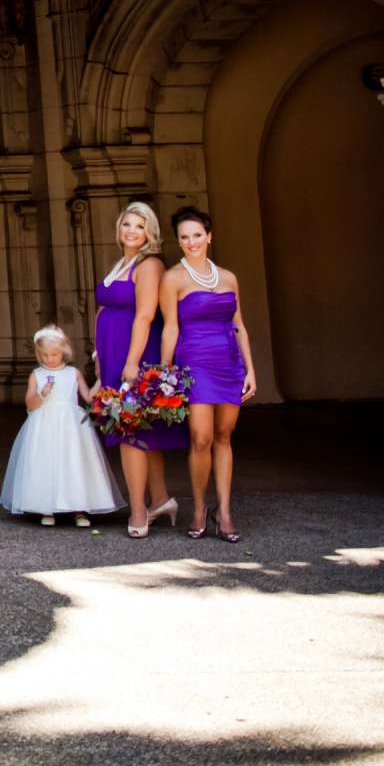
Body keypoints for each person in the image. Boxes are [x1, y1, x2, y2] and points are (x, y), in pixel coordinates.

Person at [161, 206, 256, 543]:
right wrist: (166, 373)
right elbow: (170, 327)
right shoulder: (173, 278)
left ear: (209, 236)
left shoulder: (229, 278)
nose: (191, 242)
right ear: (179, 241)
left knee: (224, 436)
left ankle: (225, 511)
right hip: (194, 361)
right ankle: (200, 507)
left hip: (229, 361)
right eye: (185, 237)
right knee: (200, 437)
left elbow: (239, 325)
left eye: (197, 235)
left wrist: (251, 370)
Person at [91, 201, 182, 538]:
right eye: (127, 224)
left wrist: (132, 361)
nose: (131, 231)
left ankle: (139, 510)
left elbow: (145, 314)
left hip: (135, 352)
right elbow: (104, 309)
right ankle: (160, 499)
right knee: (141, 430)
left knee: (129, 430)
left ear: (150, 233)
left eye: (139, 226)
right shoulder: (121, 263)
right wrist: (98, 354)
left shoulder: (149, 265)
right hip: (112, 351)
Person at [0, 327, 124, 526]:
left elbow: (88, 397)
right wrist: (42, 394)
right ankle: (46, 508)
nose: (50, 359)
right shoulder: (36, 375)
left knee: (73, 462)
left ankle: (79, 508)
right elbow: (30, 404)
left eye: (54, 354)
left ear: (64, 351)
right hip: (43, 424)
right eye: (45, 355)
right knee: (46, 462)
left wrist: (101, 379)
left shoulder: (73, 373)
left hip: (71, 426)